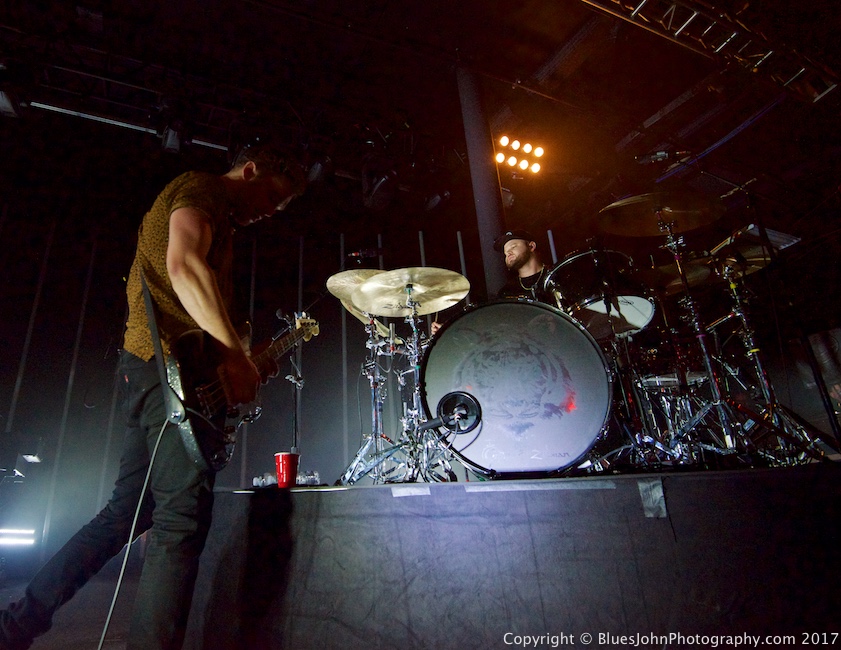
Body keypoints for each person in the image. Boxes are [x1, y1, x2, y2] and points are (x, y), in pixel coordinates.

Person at [0, 142, 307, 650]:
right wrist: (236, 357)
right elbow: (183, 266)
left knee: (124, 515)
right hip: (164, 371)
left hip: (157, 372)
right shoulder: (201, 189)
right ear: (251, 170)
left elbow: (203, 314)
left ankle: (16, 625)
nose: (272, 210)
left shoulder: (218, 216)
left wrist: (242, 360)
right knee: (179, 524)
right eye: (273, 196)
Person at [492, 229, 555, 304]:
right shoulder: (507, 293)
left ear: (531, 246)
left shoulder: (556, 277)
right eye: (505, 253)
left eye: (513, 247)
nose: (508, 253)